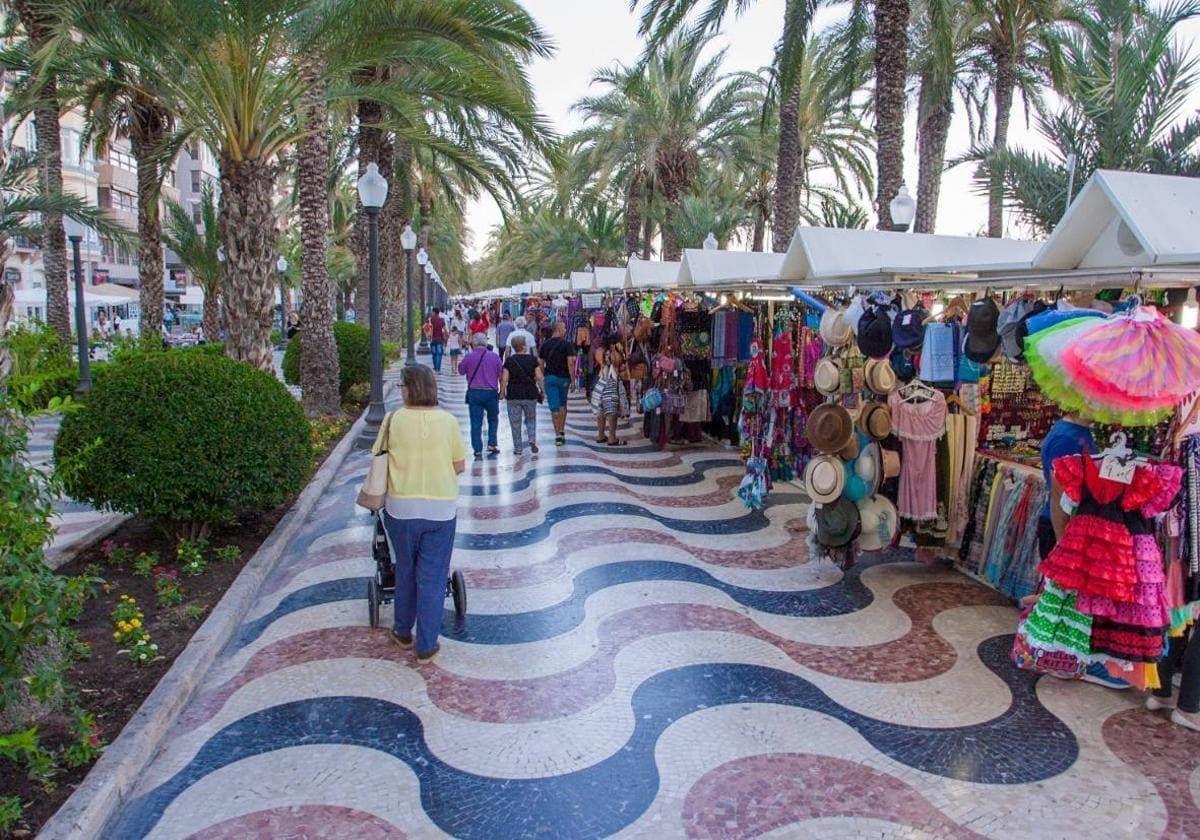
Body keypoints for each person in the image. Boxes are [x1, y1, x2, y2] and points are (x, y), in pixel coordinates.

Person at [374, 364, 466, 664]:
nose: (400, 390)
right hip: (440, 510)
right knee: (433, 575)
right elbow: (459, 464)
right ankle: (426, 645)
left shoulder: (393, 420)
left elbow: (378, 457)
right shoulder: (448, 421)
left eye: (402, 386)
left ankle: (402, 631)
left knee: (405, 568)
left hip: (401, 509)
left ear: (410, 388)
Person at [460, 332, 502, 458]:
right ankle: (492, 443)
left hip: (475, 392)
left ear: (474, 343)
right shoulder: (494, 357)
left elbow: (461, 370)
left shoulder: (469, 356)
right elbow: (501, 375)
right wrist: (503, 390)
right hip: (491, 392)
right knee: (493, 419)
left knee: (475, 421)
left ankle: (477, 448)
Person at [501, 334, 544, 456]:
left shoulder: (509, 361)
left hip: (513, 395)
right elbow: (539, 377)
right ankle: (531, 440)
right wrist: (542, 391)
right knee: (531, 419)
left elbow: (504, 378)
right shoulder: (532, 360)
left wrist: (502, 392)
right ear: (524, 346)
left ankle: (518, 447)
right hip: (530, 394)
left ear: (514, 347)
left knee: (515, 422)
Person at [539, 321, 576, 447]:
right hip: (564, 379)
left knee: (554, 408)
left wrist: (543, 376)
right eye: (564, 327)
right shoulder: (567, 345)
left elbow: (540, 363)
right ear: (559, 329)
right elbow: (570, 363)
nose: (565, 329)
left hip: (550, 378)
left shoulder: (545, 345)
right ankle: (561, 431)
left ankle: (558, 434)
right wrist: (573, 379)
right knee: (562, 405)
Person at [592, 346, 629, 446]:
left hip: (600, 389)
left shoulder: (602, 366)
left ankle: (601, 435)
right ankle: (612, 438)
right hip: (610, 390)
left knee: (601, 411)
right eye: (607, 355)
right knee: (612, 412)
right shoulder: (613, 367)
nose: (608, 357)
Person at [428, 307, 447, 373]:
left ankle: (436, 367)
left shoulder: (431, 320)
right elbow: (444, 330)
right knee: (439, 354)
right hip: (440, 339)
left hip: (433, 339)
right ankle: (438, 369)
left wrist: (428, 335)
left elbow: (427, 328)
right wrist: (446, 338)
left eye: (432, 312)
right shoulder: (442, 320)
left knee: (434, 354)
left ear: (434, 312)